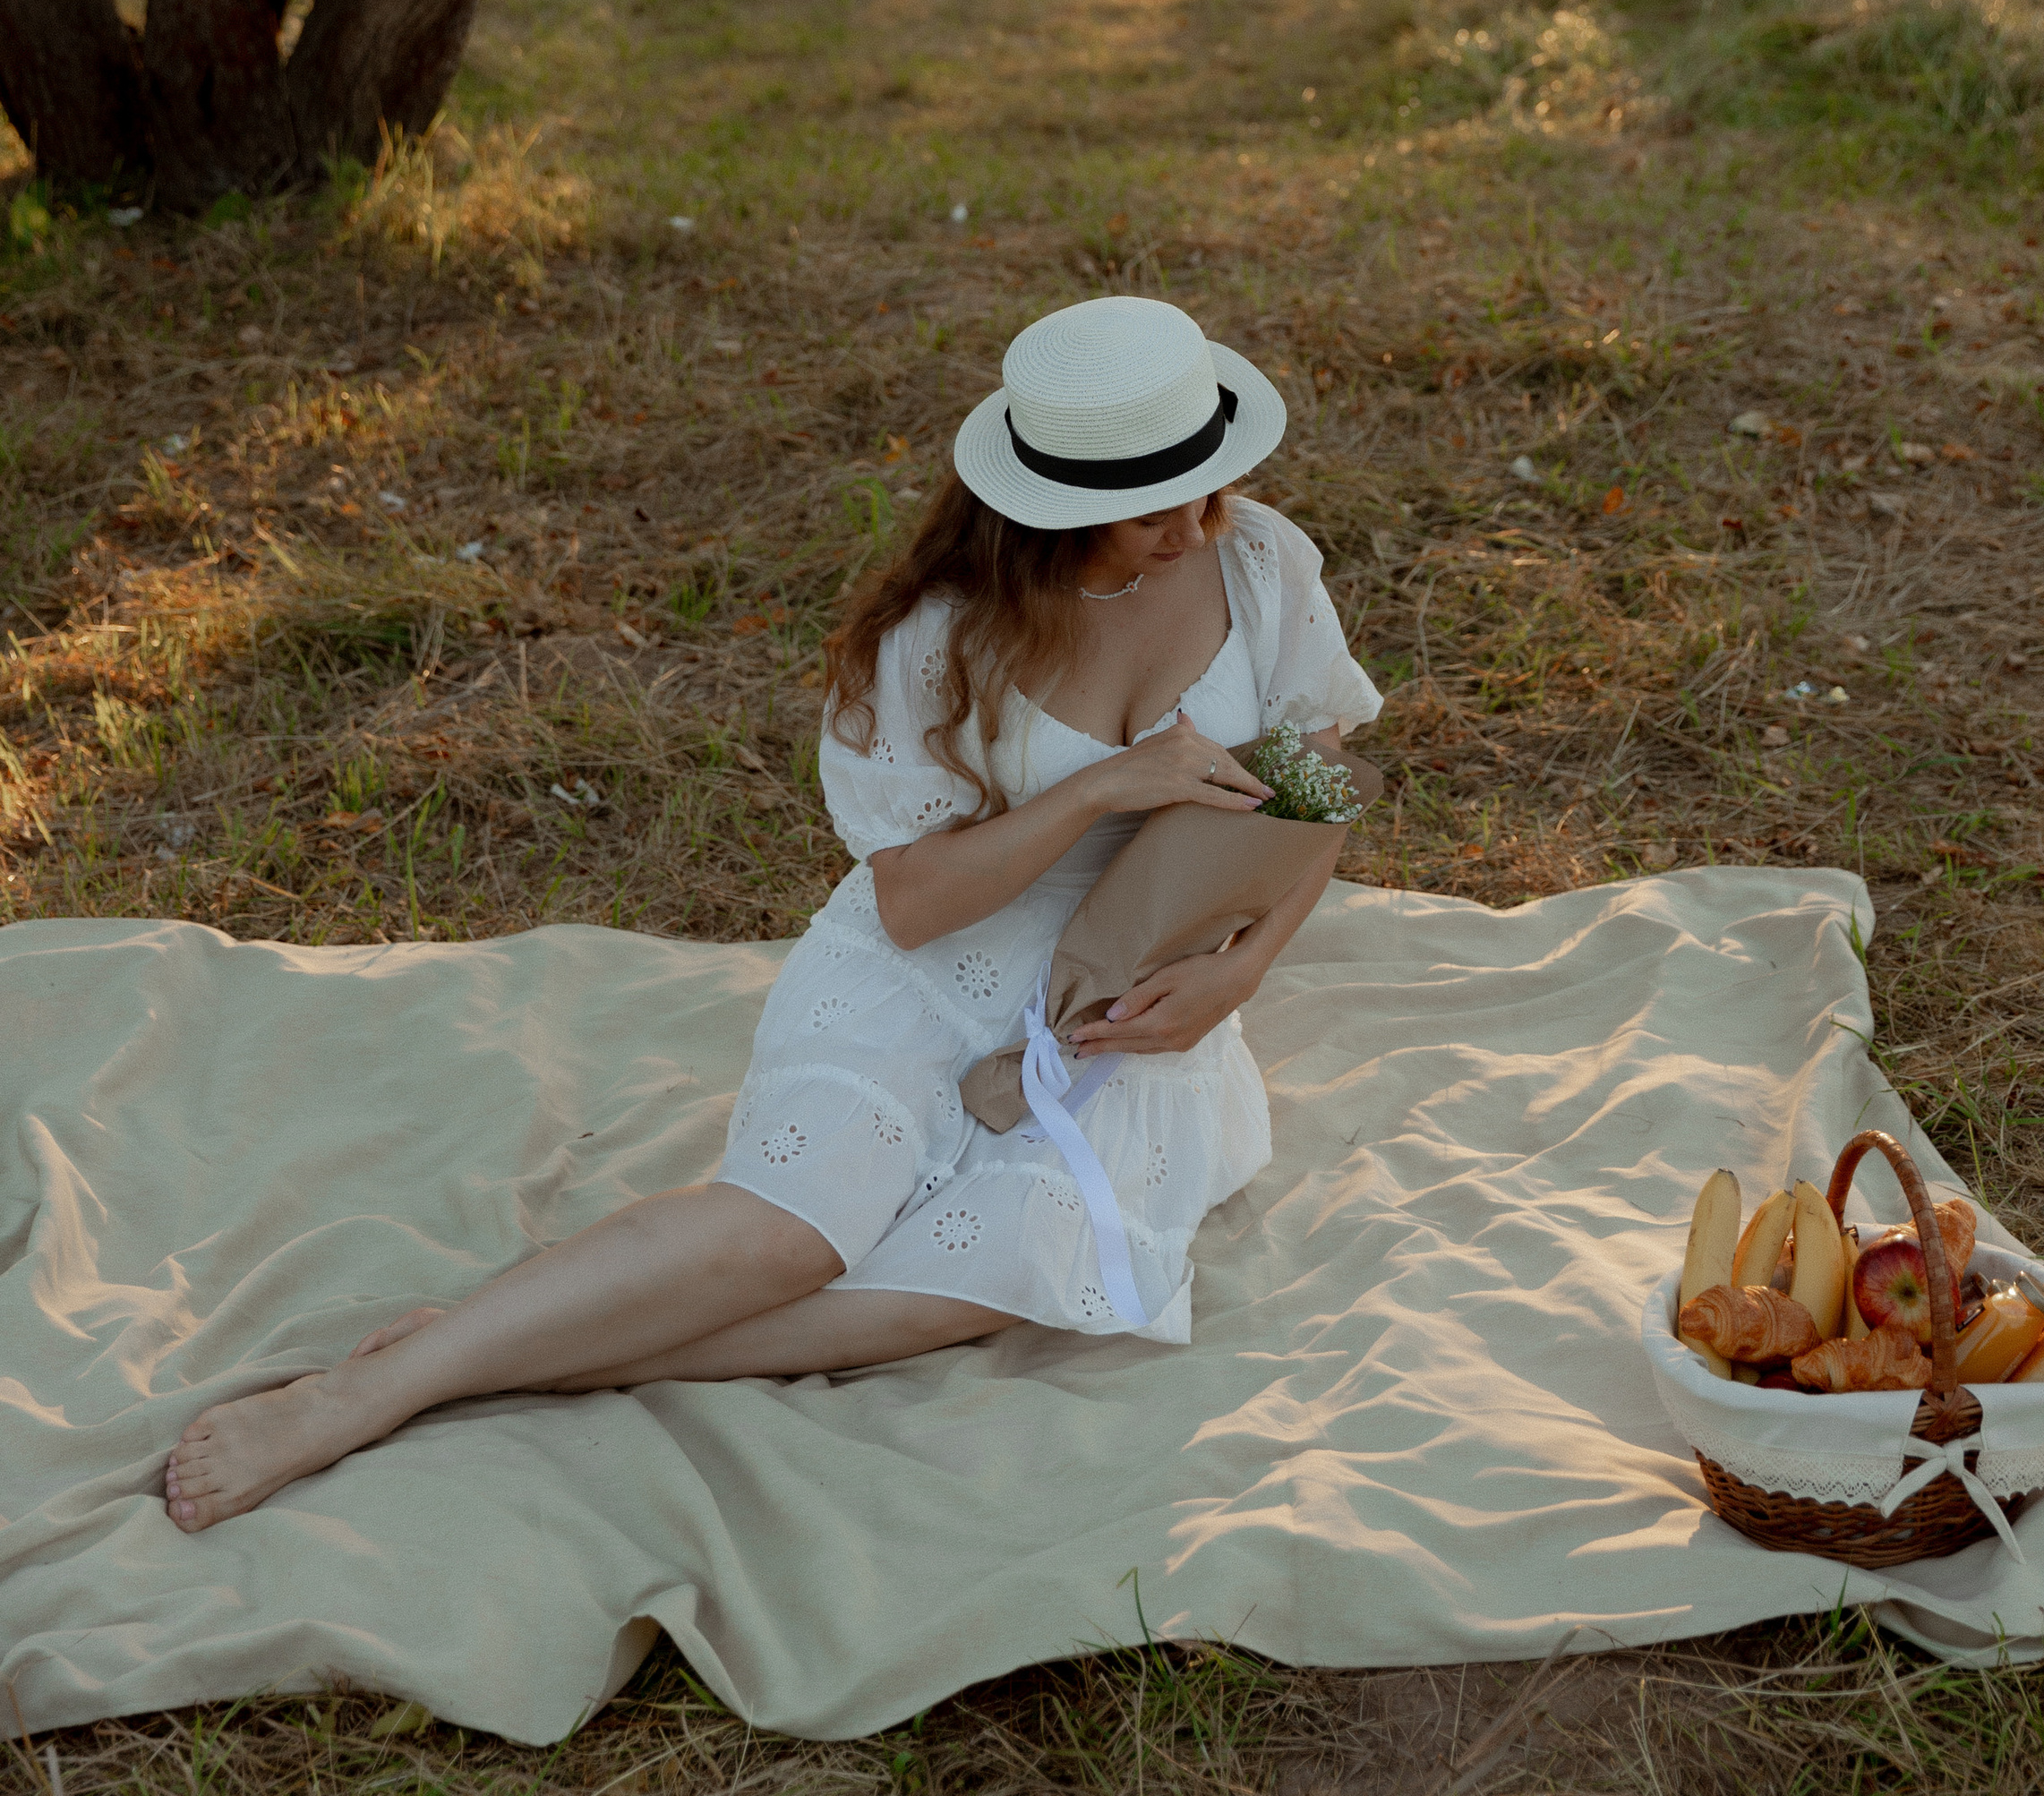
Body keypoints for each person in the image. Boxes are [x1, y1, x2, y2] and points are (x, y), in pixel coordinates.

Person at [164, 295, 1380, 1529]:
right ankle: (350, 1401)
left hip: (1129, 976)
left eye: (1207, 484)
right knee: (794, 1240)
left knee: (983, 1282)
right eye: (1149, 503)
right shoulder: (937, 640)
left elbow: (1316, 787)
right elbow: (912, 905)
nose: (1189, 526)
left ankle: (468, 1358)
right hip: (938, 960)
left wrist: (1243, 974)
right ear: (1047, 500)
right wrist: (1105, 786)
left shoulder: (1260, 560)